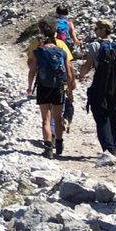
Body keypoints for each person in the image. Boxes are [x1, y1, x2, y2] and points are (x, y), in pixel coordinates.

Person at [77, 19, 116, 161]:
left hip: (100, 86)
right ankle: (114, 149)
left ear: (103, 30)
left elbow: (88, 64)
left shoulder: (96, 45)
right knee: (114, 115)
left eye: (96, 29)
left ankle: (108, 150)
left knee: (101, 115)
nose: (95, 31)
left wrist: (81, 75)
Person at [26, 20, 76, 159]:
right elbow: (69, 70)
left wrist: (29, 87)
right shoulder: (61, 49)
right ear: (55, 32)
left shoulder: (38, 50)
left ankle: (48, 148)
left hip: (43, 86)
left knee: (45, 120)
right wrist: (70, 89)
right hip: (58, 87)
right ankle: (59, 144)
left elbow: (32, 70)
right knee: (58, 117)